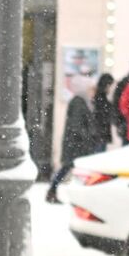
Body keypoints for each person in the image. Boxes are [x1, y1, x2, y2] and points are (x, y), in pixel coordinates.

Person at [47, 74, 109, 204]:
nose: (93, 92)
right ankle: (53, 191)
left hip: (77, 144)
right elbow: (76, 126)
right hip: (76, 144)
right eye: (90, 89)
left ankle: (54, 192)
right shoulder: (78, 102)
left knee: (70, 169)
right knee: (68, 168)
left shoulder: (82, 101)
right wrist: (88, 137)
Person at [109, 56, 129, 142]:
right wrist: (120, 123)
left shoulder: (125, 82)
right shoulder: (124, 83)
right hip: (127, 127)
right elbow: (116, 104)